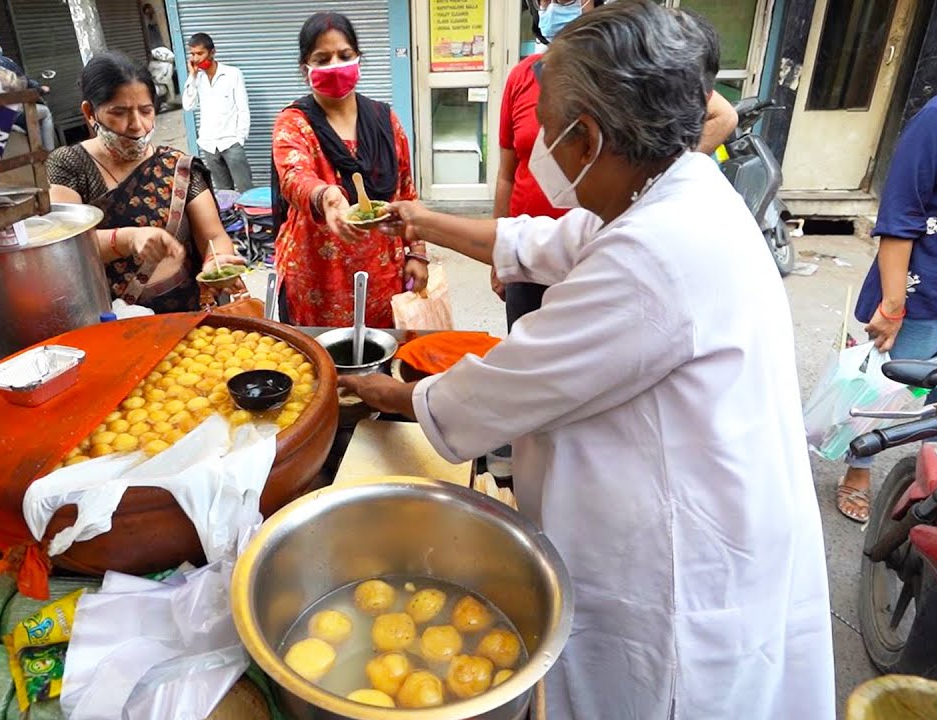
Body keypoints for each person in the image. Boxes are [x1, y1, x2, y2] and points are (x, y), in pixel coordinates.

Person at [340, 2, 834, 717]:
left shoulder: (655, 254)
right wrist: (420, 220)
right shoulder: (674, 195)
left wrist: (385, 394)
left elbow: (506, 388)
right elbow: (540, 243)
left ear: (589, 137)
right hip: (708, 517)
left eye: (547, 125)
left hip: (673, 580)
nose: (538, 141)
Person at [494, 1, 737, 330]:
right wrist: (424, 223)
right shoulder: (524, 75)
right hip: (545, 247)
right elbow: (530, 227)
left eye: (550, 131)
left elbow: (531, 372)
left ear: (590, 140)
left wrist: (415, 386)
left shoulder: (633, 250)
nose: (545, 149)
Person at [836, 27, 937, 523]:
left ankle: (933, 479)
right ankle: (859, 465)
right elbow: (901, 217)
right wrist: (893, 304)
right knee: (892, 387)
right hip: (928, 286)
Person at [47, 52, 246, 315]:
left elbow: (213, 236)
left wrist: (217, 262)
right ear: (89, 112)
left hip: (185, 311)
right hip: (108, 317)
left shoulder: (179, 167)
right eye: (119, 112)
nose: (137, 125)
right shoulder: (70, 165)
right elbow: (64, 246)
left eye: (146, 110)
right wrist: (128, 238)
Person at [272, 12, 426, 328]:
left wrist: (418, 253)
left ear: (358, 58)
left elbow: (407, 192)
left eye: (344, 55)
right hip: (318, 278)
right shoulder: (294, 124)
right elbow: (293, 176)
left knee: (379, 359)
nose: (335, 65)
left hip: (382, 272)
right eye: (322, 58)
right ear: (306, 69)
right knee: (322, 365)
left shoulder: (387, 123)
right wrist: (326, 197)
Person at [182, 33, 253, 193]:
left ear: (212, 52)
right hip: (209, 145)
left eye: (200, 53)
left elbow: (243, 108)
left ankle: (251, 219)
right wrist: (192, 77)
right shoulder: (197, 78)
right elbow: (188, 105)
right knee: (223, 193)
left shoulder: (232, 74)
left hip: (231, 143)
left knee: (245, 189)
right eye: (193, 54)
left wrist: (239, 138)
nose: (196, 59)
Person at [0, 27, 56, 151]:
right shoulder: (2, 61)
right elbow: (24, 83)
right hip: (9, 112)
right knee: (45, 112)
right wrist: (41, 89)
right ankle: (50, 155)